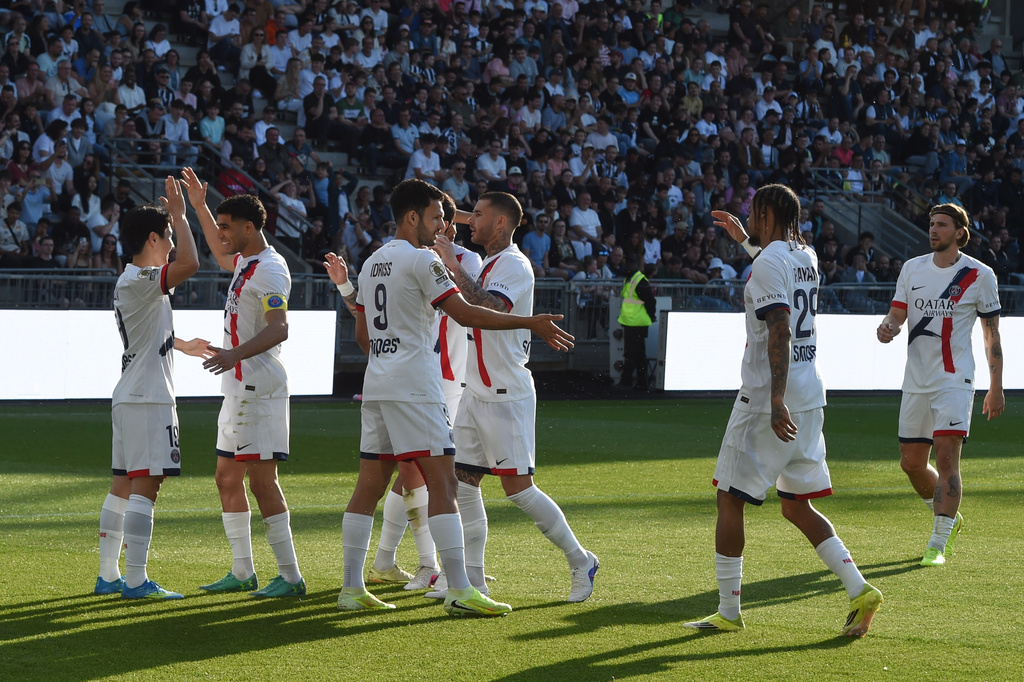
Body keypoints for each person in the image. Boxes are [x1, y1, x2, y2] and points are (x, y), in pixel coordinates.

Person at [325, 179, 573, 616]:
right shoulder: (423, 262)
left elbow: (363, 335)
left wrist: (389, 356)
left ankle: (352, 587)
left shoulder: (370, 263)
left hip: (378, 383)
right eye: (437, 216)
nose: (444, 226)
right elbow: (466, 313)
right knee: (444, 482)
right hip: (418, 387)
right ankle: (459, 588)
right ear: (412, 217)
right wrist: (529, 322)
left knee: (369, 487)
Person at [684, 184, 882, 637]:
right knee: (795, 506)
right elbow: (773, 265)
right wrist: (744, 241)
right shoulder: (806, 255)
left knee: (729, 497)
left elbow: (779, 329)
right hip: (812, 396)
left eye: (754, 214)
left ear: (767, 215)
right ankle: (859, 589)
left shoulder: (770, 263)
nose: (749, 220)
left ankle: (728, 612)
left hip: (767, 400)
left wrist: (775, 399)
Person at [430, 191, 599, 604]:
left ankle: (581, 560)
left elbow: (489, 305)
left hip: (506, 393)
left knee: (519, 491)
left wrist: (452, 264)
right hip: (476, 391)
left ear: (502, 223)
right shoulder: (490, 260)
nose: (472, 221)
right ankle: (473, 582)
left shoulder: (514, 264)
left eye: (481, 215)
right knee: (462, 484)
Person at [180, 167, 306, 598]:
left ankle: (290, 577)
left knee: (262, 480)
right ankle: (242, 571)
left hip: (259, 384)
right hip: (237, 385)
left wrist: (234, 353)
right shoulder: (245, 261)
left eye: (228, 226)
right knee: (226, 477)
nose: (222, 233)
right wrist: (198, 207)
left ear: (250, 227)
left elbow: (279, 328)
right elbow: (218, 252)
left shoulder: (270, 269)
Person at [94, 176, 211, 600]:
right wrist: (183, 215)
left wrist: (181, 343)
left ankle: (108, 575)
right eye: (168, 236)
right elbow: (192, 265)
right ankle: (136, 580)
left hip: (130, 394)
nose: (173, 243)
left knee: (122, 483)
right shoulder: (141, 278)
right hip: (148, 396)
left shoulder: (132, 281)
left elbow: (146, 331)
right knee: (147, 483)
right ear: (152, 238)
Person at [876, 203, 1004, 567]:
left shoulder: (979, 275)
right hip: (916, 378)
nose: (933, 230)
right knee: (911, 464)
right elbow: (898, 312)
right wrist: (889, 326)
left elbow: (991, 336)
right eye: (931, 224)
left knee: (947, 458)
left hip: (954, 378)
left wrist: (996, 386)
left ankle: (938, 541)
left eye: (942, 225)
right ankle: (949, 515)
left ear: (960, 233)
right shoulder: (912, 268)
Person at [617, 257, 655, 391]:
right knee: (638, 354)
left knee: (632, 354)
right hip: (633, 322)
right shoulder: (634, 279)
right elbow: (650, 301)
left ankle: (627, 381)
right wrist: (652, 315)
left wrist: (651, 315)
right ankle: (642, 383)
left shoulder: (637, 280)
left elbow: (650, 301)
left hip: (636, 322)